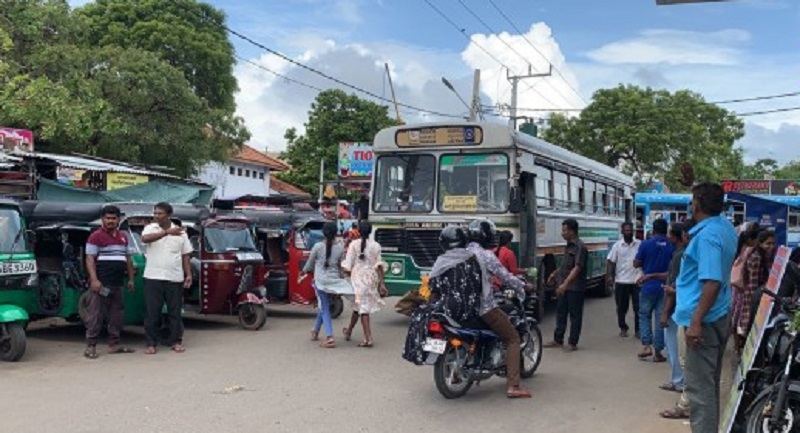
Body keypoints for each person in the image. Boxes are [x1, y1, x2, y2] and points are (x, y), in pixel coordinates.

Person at [674, 183, 737, 433]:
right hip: (718, 314)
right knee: (707, 387)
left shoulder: (708, 236)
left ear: (697, 203)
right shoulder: (723, 227)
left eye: (692, 199)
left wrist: (696, 321)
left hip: (705, 321)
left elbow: (711, 281)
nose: (691, 204)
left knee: (700, 392)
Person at [465, 219, 532, 398]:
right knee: (512, 338)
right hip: (484, 307)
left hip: (461, 307)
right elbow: (505, 276)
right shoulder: (486, 255)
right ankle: (513, 386)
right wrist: (523, 287)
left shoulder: (459, 253)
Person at [402, 227, 483, 365]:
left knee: (419, 314)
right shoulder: (474, 258)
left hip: (448, 306)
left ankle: (416, 353)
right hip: (471, 307)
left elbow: (433, 286)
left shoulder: (442, 261)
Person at [83, 205, 137, 359]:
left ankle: (114, 344)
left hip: (118, 284)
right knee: (96, 315)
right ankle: (90, 346)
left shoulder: (123, 237)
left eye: (113, 218)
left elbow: (128, 259)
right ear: (102, 220)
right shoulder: (95, 236)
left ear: (118, 219)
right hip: (101, 285)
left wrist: (131, 279)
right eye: (107, 218)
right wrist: (94, 279)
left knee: (116, 315)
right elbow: (89, 259)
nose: (110, 221)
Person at [141, 202, 193, 355]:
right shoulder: (150, 228)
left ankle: (176, 341)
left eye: (160, 213)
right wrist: (166, 233)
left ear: (168, 215)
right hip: (152, 277)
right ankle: (151, 343)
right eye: (155, 213)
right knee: (152, 313)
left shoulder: (182, 233)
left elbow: (185, 256)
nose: (156, 216)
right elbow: (145, 239)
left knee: (175, 312)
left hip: (174, 277)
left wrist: (188, 274)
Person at [660, 219, 696, 420]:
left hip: (680, 310)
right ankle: (679, 383)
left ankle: (680, 385)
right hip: (684, 309)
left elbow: (677, 286)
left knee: (677, 351)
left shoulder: (683, 256)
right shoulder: (684, 254)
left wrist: (665, 312)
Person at [300, 222, 348, 349]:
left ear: (323, 233)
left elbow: (309, 264)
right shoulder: (340, 247)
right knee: (323, 305)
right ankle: (315, 331)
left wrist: (303, 272)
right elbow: (340, 266)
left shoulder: (317, 246)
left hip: (321, 281)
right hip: (335, 281)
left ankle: (329, 337)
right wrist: (341, 280)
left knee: (324, 307)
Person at [544, 219, 589, 352]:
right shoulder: (568, 245)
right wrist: (554, 274)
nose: (562, 233)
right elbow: (565, 266)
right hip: (564, 284)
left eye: (565, 230)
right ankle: (558, 339)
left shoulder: (580, 247)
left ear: (572, 231)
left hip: (575, 287)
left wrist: (565, 284)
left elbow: (577, 268)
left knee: (575, 315)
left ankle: (572, 342)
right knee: (561, 313)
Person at [342, 221, 388, 347]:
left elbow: (347, 264)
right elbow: (379, 266)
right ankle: (349, 331)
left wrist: (343, 275)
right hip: (371, 278)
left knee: (363, 308)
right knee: (360, 305)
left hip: (357, 277)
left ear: (358, 231)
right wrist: (382, 284)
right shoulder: (376, 245)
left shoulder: (353, 245)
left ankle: (368, 339)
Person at [634, 218, 674, 362]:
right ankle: (658, 352)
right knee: (660, 318)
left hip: (648, 285)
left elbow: (636, 263)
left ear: (654, 230)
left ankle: (646, 346)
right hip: (665, 286)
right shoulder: (671, 245)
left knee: (644, 315)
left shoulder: (646, 244)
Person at [731, 230, 776, 352]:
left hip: (759, 299)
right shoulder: (756, 258)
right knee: (750, 331)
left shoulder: (765, 257)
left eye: (773, 243)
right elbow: (753, 285)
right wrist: (754, 306)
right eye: (768, 243)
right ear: (760, 244)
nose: (771, 247)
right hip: (754, 301)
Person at [659, 222, 688, 393]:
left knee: (673, 347)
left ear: (676, 237)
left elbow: (674, 286)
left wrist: (664, 313)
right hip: (678, 306)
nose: (668, 237)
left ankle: (678, 380)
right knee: (672, 347)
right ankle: (676, 379)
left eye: (670, 234)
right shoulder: (679, 254)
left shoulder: (679, 256)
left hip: (674, 308)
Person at [607, 221, 642, 338]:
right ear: (622, 232)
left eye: (630, 230)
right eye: (626, 230)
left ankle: (638, 330)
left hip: (637, 281)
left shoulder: (640, 244)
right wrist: (610, 276)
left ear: (633, 231)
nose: (628, 232)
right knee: (621, 307)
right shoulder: (617, 246)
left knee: (638, 308)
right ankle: (623, 327)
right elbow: (611, 262)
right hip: (621, 281)